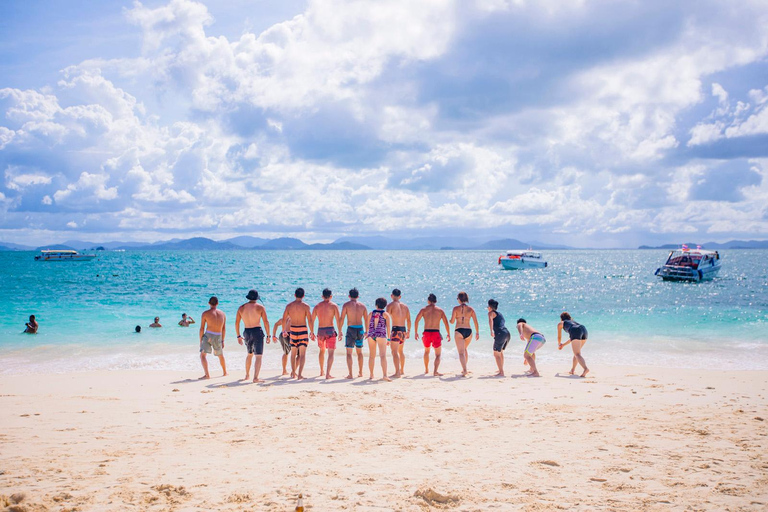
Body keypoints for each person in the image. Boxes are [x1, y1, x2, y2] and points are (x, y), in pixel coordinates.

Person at [235, 289, 271, 383]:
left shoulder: (241, 308)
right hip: (256, 331)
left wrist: (238, 336)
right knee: (258, 356)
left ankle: (247, 375)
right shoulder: (260, 307)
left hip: (246, 331)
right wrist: (268, 335)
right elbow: (266, 322)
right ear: (256, 298)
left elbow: (237, 323)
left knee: (249, 354)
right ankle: (255, 378)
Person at [281, 288, 315, 380]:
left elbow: (284, 319)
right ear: (303, 296)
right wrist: (312, 332)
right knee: (302, 354)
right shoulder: (306, 306)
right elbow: (310, 320)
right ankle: (299, 374)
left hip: (293, 330)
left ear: (294, 295)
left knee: (293, 353)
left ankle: (293, 373)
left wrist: (284, 330)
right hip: (303, 329)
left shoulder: (289, 306)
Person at [414, 294, 451, 376]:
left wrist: (416, 332)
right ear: (436, 301)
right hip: (435, 333)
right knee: (438, 354)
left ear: (428, 301)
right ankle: (435, 371)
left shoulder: (423, 310)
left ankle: (426, 369)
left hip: (426, 333)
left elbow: (416, 321)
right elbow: (446, 323)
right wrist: (448, 333)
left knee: (426, 351)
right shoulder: (440, 310)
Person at [312, 288, 342, 379]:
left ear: (322, 296)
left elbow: (311, 320)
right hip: (330, 330)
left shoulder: (317, 306)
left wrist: (312, 332)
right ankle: (328, 373)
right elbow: (338, 320)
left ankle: (321, 371)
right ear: (331, 296)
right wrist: (340, 331)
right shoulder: (334, 306)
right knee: (331, 353)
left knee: (322, 350)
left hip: (320, 331)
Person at [340, 288, 368, 379]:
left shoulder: (346, 305)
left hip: (351, 329)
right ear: (358, 296)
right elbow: (366, 319)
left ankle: (350, 374)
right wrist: (367, 331)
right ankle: (360, 372)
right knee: (359, 352)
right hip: (360, 329)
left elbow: (342, 318)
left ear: (349, 296)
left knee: (349, 353)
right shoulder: (363, 306)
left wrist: (340, 330)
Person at [450, 292, 480, 377]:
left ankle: (465, 370)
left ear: (459, 299)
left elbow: (452, 322)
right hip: (468, 331)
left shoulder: (455, 308)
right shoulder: (471, 309)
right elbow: (475, 322)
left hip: (459, 330)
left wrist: (450, 320)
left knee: (461, 352)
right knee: (464, 349)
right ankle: (465, 367)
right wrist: (477, 332)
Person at [199, 296, 227, 379]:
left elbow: (202, 328)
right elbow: (224, 328)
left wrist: (200, 340)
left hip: (208, 335)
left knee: (203, 355)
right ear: (217, 303)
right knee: (220, 355)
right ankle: (225, 372)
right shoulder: (222, 314)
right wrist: (222, 340)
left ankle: (207, 375)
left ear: (209, 303)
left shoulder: (205, 313)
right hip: (218, 335)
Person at [386, 288, 411, 378]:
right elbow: (408, 320)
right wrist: (408, 331)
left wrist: (387, 333)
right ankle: (402, 370)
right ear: (400, 296)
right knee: (400, 351)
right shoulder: (405, 306)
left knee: (394, 351)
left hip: (395, 329)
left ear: (391, 296)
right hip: (403, 330)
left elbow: (386, 319)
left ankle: (397, 372)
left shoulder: (390, 305)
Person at [366, 298, 392, 381]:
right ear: (385, 305)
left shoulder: (371, 313)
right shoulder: (385, 314)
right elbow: (388, 327)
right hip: (381, 334)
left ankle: (371, 374)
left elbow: (367, 325)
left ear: (376, 304)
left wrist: (367, 333)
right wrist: (388, 338)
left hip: (371, 335)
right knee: (383, 355)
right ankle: (384, 375)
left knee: (371, 356)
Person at [557, 312, 589, 377]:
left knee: (577, 354)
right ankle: (572, 370)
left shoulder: (561, 323)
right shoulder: (573, 323)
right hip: (584, 329)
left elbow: (559, 336)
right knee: (577, 353)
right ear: (569, 317)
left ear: (561, 319)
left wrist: (559, 344)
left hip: (576, 331)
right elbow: (573, 338)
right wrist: (563, 345)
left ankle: (585, 369)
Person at [488, 299, 510, 377]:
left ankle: (501, 372)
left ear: (490, 307)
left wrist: (491, 331)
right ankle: (501, 369)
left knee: (496, 354)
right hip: (507, 333)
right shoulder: (500, 314)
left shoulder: (491, 313)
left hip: (500, 333)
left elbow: (491, 320)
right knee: (500, 352)